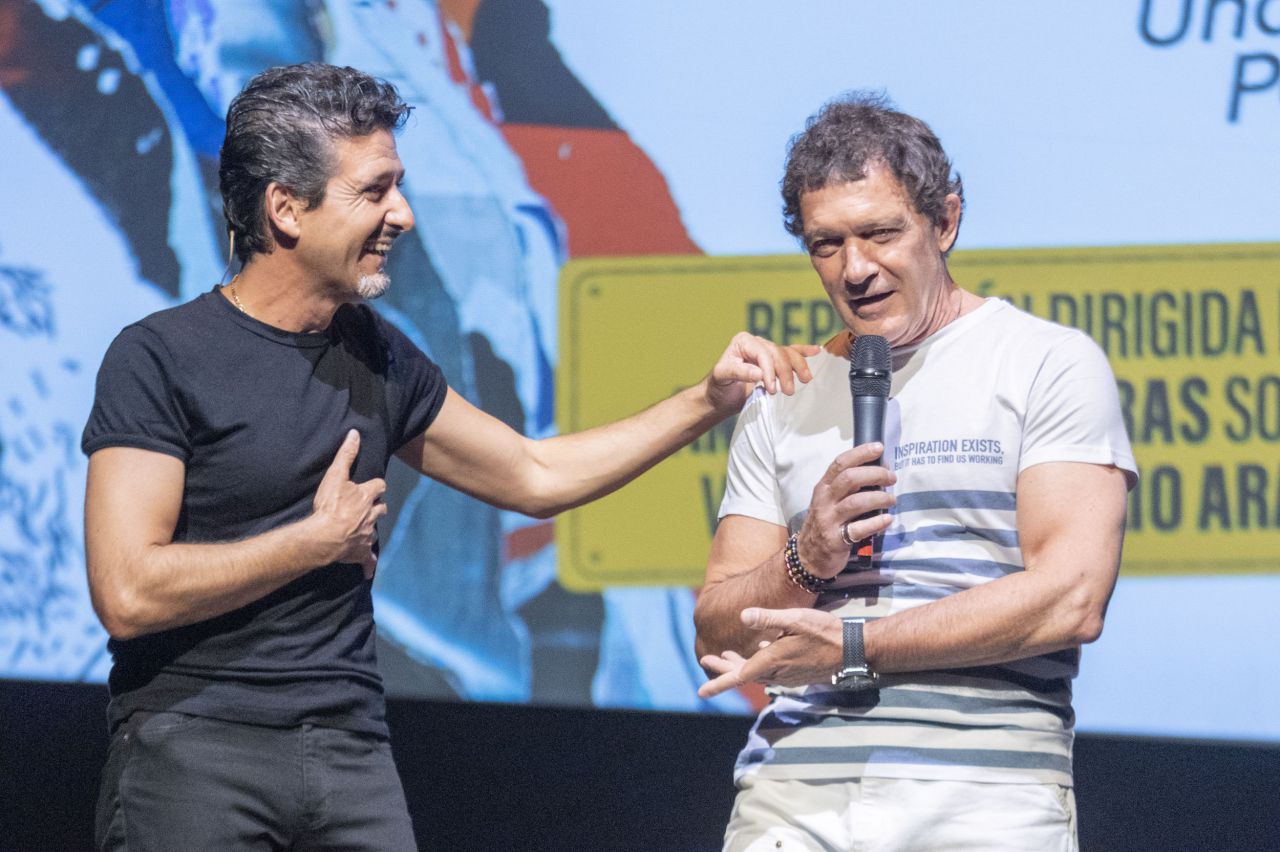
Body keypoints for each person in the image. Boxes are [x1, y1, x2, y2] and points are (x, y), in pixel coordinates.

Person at [82, 62, 813, 851]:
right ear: (286, 209)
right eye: (375, 190)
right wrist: (311, 543)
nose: (403, 214)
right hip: (195, 748)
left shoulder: (379, 355)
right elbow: (128, 591)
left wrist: (706, 399)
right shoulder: (159, 357)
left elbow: (535, 476)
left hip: (349, 752)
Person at [694, 92, 1136, 851]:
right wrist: (809, 555)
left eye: (880, 233)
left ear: (946, 220)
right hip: (791, 800)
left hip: (983, 800)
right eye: (826, 243)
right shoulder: (785, 394)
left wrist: (857, 645)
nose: (855, 268)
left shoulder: (1045, 362)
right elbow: (718, 630)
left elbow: (1071, 598)